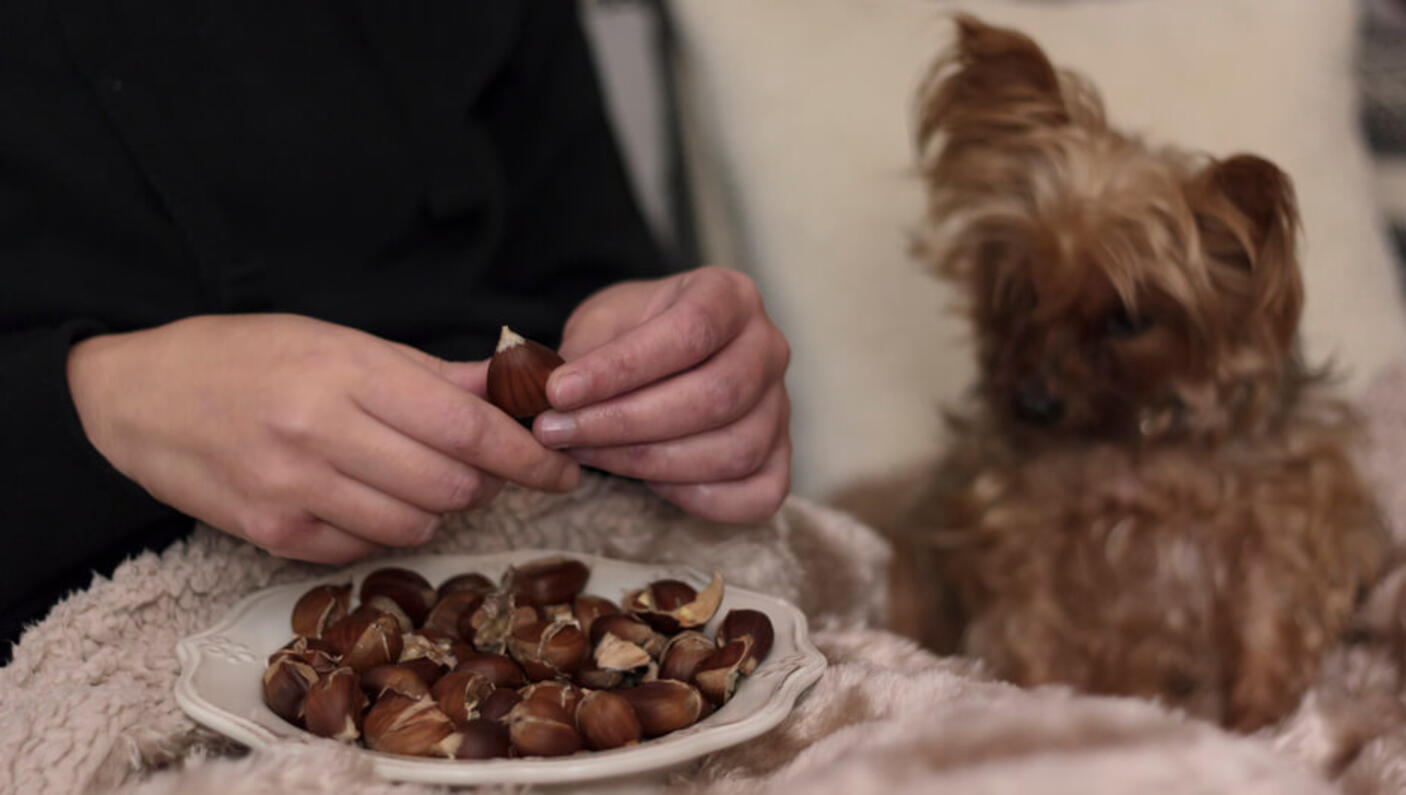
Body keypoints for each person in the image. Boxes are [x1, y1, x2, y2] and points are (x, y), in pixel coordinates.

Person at [0, 2, 791, 657]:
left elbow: (577, 274)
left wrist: (674, 376)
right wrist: (102, 402)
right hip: (64, 639)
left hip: (537, 579)